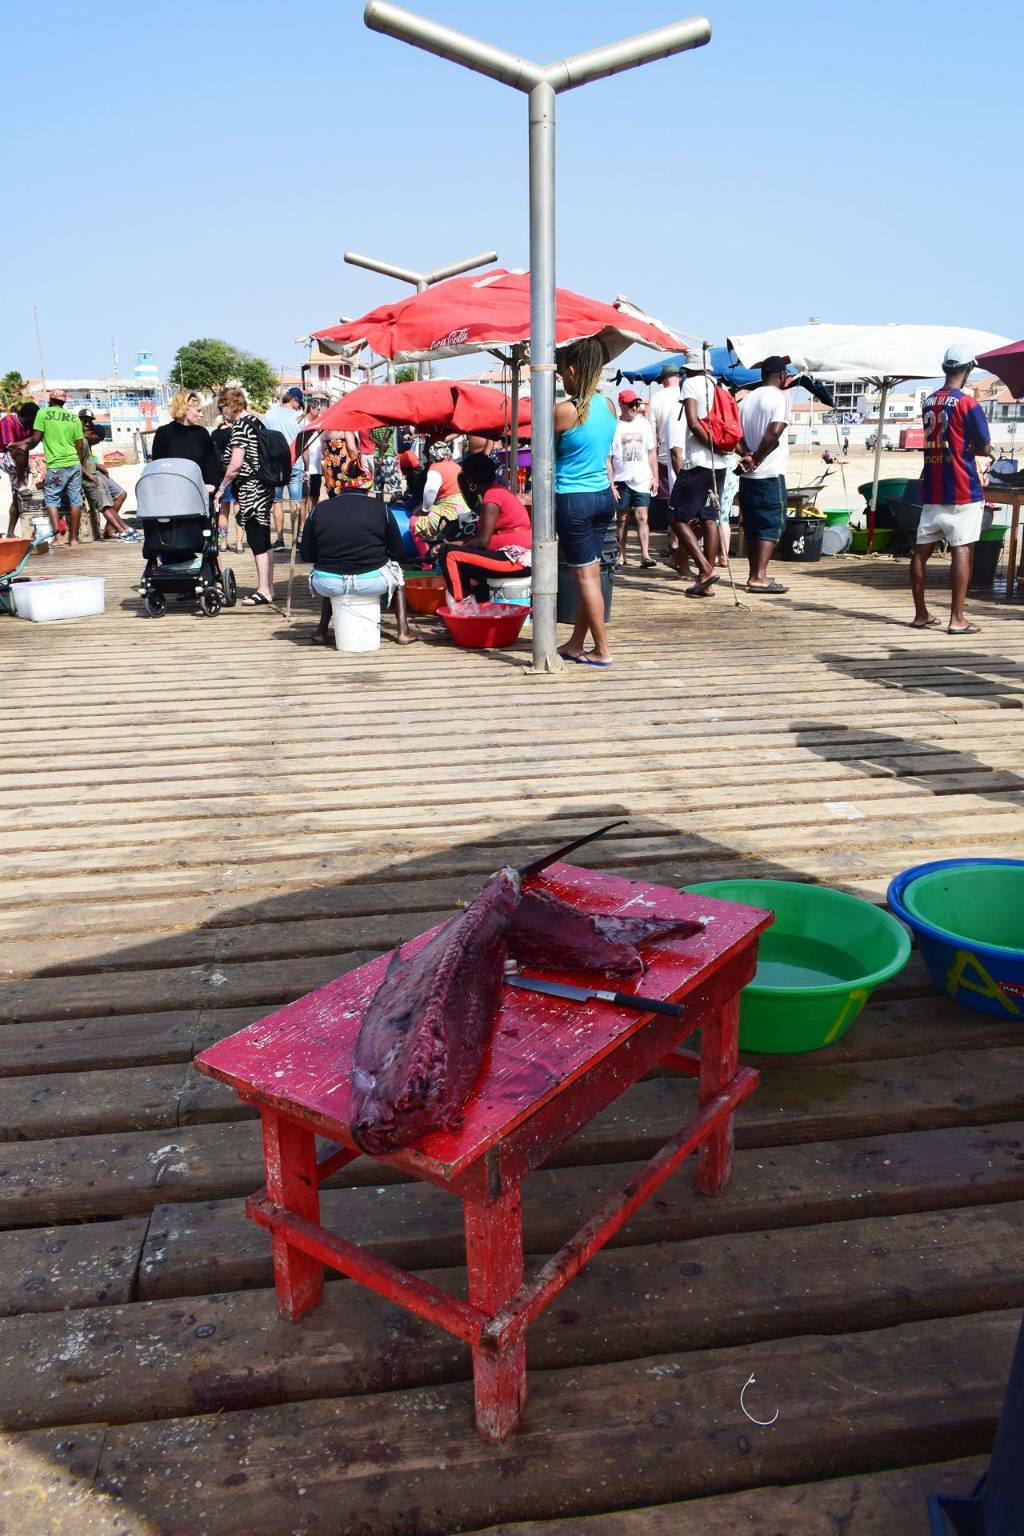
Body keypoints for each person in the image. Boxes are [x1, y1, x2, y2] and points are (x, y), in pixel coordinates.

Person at [911, 342, 996, 636]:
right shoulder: (967, 403)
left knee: (921, 552)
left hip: (933, 486)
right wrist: (979, 448)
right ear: (968, 369)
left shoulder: (928, 401)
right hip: (962, 488)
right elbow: (984, 445)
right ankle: (957, 618)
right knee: (962, 550)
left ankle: (921, 613)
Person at [554, 337, 617, 667]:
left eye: (562, 371)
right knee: (589, 573)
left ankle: (602, 649)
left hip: (573, 499)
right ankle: (578, 644)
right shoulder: (608, 407)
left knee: (586, 577)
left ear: (574, 369)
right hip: (603, 496)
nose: (561, 377)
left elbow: (544, 456)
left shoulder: (565, 411)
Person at [299, 486, 418, 646]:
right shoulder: (382, 509)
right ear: (367, 488)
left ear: (338, 488)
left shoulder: (319, 509)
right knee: (397, 575)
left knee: (329, 568)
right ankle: (403, 631)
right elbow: (398, 553)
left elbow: (306, 554)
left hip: (327, 583)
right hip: (371, 582)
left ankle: (321, 631)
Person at [668, 360, 734, 596]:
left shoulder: (691, 385)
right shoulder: (720, 387)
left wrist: (711, 447)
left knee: (678, 517)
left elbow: (693, 422)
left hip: (698, 462)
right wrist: (723, 450)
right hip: (720, 465)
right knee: (709, 518)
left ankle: (705, 569)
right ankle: (706, 583)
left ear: (689, 369)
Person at [213, 386, 275, 606]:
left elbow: (235, 465)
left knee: (257, 539)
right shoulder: (257, 421)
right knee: (264, 538)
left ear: (231, 405)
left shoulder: (240, 427)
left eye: (223, 408)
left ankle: (263, 590)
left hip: (251, 489)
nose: (222, 413)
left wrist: (221, 488)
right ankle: (269, 587)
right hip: (265, 487)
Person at [442, 452, 532, 602]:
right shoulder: (498, 491)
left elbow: (483, 541)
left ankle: (461, 605)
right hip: (513, 558)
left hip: (515, 560)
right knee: (452, 550)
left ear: (472, 481)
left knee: (449, 554)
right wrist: (458, 544)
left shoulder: (492, 497)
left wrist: (454, 546)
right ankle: (478, 602)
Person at [737, 357, 791, 594]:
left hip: (747, 476)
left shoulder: (747, 400)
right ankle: (760, 576)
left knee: (752, 525)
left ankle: (753, 574)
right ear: (780, 375)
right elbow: (775, 431)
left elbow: (735, 434)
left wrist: (747, 455)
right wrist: (757, 458)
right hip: (769, 472)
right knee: (771, 524)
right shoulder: (780, 397)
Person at [16, 387, 95, 542]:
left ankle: (57, 538)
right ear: (64, 402)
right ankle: (74, 538)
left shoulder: (43, 413)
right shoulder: (73, 418)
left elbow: (36, 438)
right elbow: (79, 444)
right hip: (73, 463)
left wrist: (23, 447)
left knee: (51, 499)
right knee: (75, 500)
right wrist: (77, 463)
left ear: (51, 400)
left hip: (56, 464)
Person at [610, 388, 658, 569]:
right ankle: (621, 554)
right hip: (621, 478)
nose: (635, 407)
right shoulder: (615, 426)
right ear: (621, 405)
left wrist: (655, 477)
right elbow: (609, 457)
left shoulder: (644, 424)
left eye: (636, 404)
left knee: (642, 516)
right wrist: (611, 482)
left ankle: (645, 555)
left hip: (642, 478)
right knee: (621, 518)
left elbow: (652, 452)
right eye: (631, 404)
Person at [263, 386, 306, 550]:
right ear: (294, 400)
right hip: (295, 464)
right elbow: (304, 444)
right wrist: (306, 467)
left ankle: (280, 539)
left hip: (275, 465)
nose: (299, 407)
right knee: (296, 501)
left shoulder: (269, 414)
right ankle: (296, 540)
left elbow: (264, 439)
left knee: (277, 502)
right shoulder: (299, 417)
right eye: (298, 403)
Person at [151, 390, 222, 489]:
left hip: (198, 492)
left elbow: (211, 464)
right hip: (172, 492)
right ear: (185, 409)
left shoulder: (202, 433)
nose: (201, 415)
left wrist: (213, 485)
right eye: (198, 410)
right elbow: (157, 466)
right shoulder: (163, 433)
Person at [81, 421, 137, 540]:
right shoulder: (81, 441)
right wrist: (90, 476)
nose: (98, 442)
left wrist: (98, 466)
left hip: (94, 472)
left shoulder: (87, 442)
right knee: (105, 504)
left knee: (119, 495)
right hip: (89, 476)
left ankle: (117, 528)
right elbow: (75, 461)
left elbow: (87, 460)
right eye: (98, 439)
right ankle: (122, 530)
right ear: (91, 433)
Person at [410, 441, 469, 554]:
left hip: (449, 513)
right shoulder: (458, 467)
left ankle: (426, 560)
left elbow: (430, 490)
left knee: (415, 521)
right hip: (465, 512)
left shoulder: (436, 468)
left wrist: (424, 510)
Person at [2, 401, 38, 537]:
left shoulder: (31, 425)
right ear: (28, 415)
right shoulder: (8, 420)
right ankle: (21, 482)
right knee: (21, 450)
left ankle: (10, 533)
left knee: (17, 499)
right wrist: (28, 441)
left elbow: (34, 442)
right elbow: (9, 445)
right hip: (4, 456)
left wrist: (30, 441)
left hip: (21, 462)